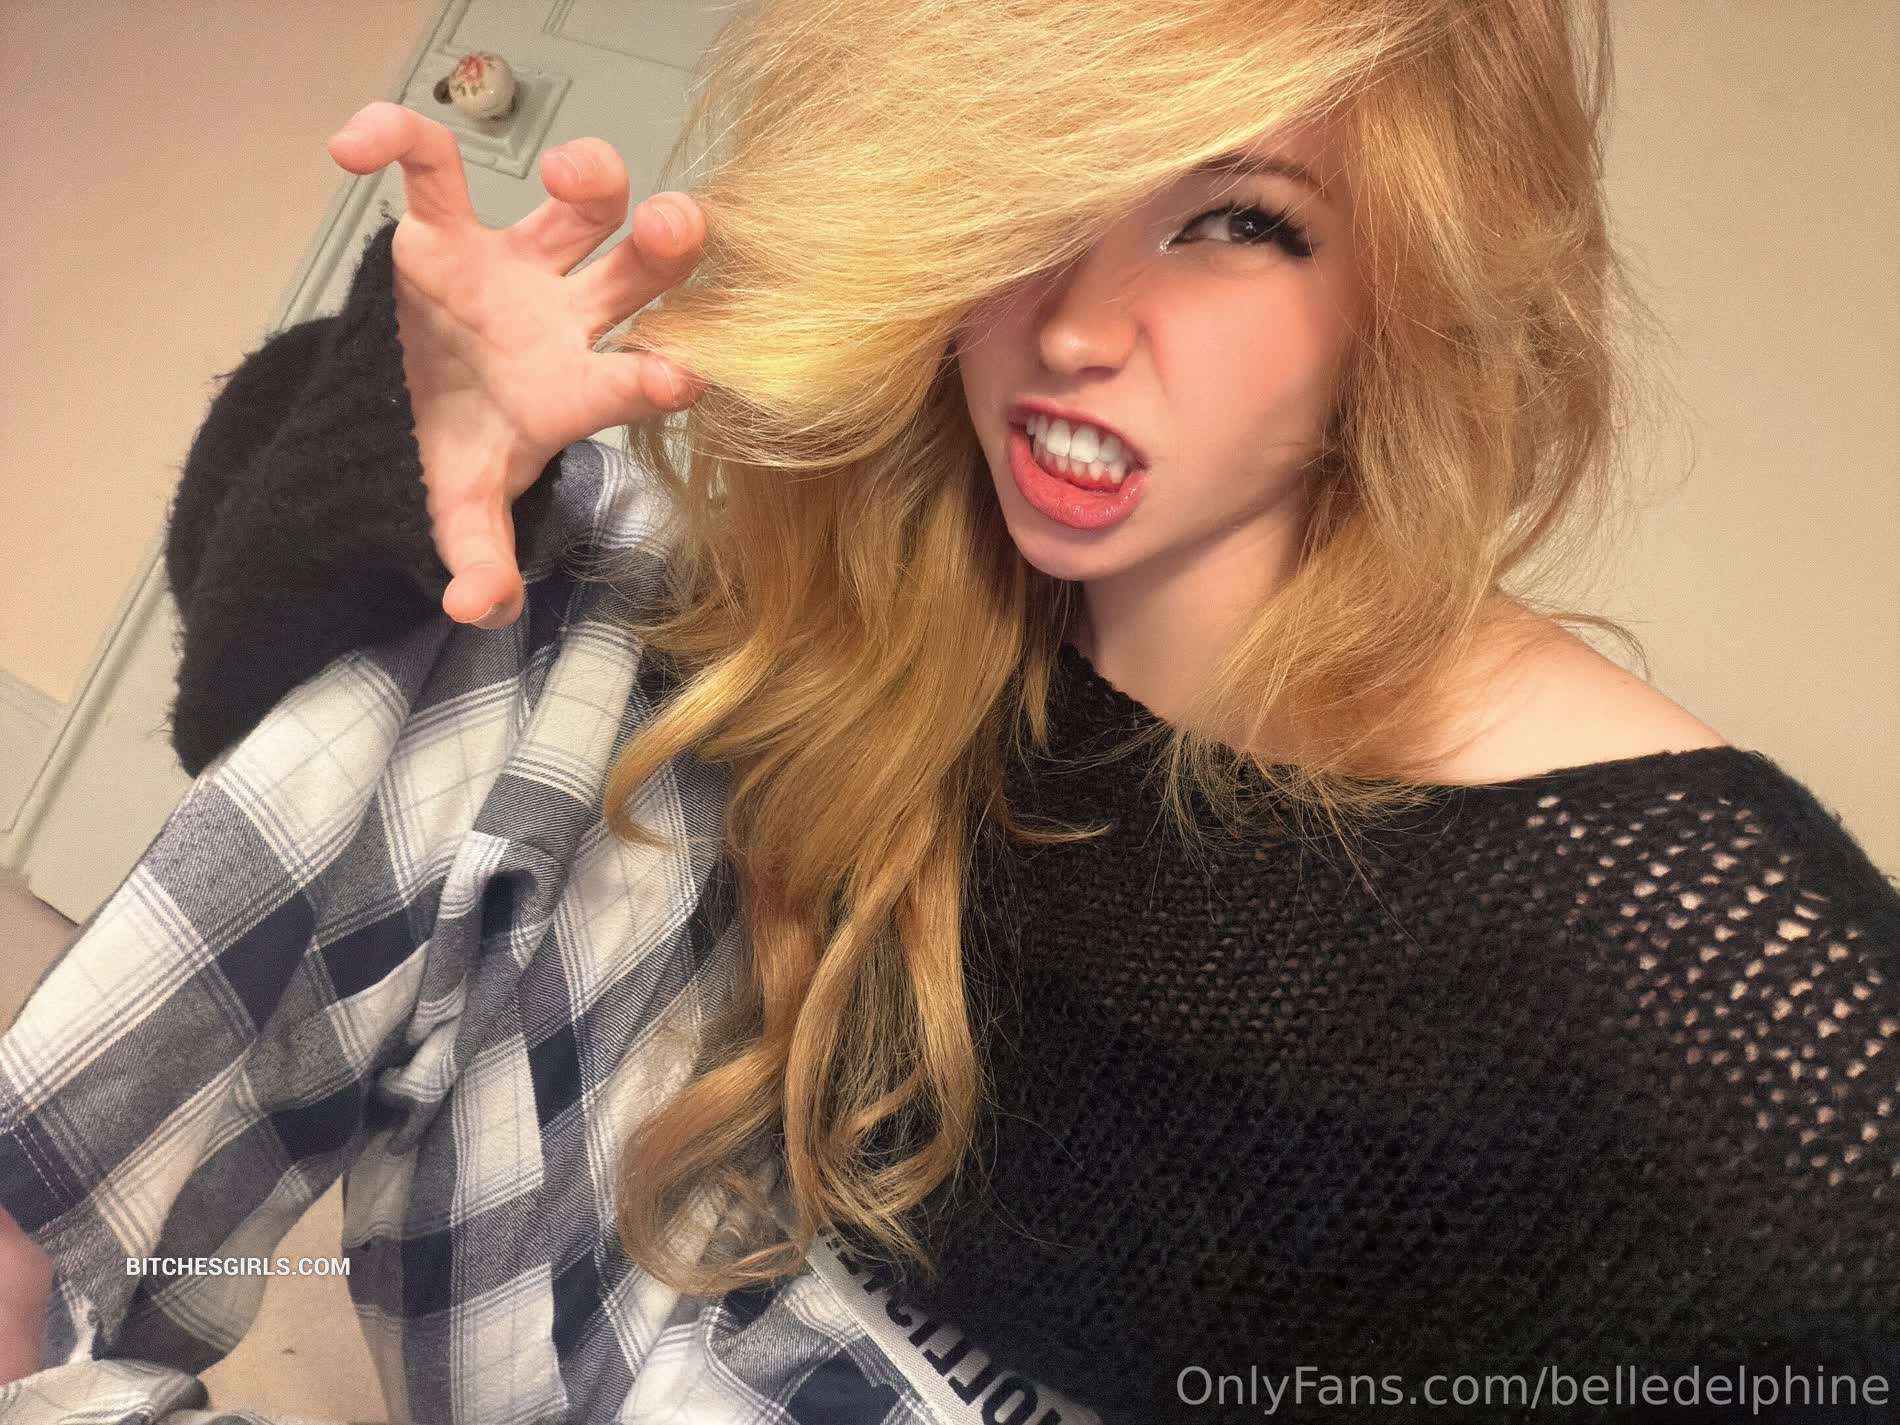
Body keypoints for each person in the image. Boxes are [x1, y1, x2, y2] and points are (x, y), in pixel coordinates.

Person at [5, 0, 1898, 1420]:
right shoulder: (922, 579)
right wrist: (412, 443)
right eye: (1028, 200)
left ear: (1411, 282)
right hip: (679, 1267)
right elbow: (271, 674)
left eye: (1238, 222)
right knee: (548, 596)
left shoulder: (1700, 950)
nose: (1071, 323)